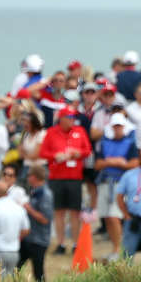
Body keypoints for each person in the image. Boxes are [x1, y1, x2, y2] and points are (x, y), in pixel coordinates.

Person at [38, 107, 93, 257]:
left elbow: (87, 150)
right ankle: (61, 243)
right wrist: (56, 155)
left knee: (75, 212)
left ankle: (76, 243)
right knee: (59, 212)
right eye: (68, 117)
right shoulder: (51, 132)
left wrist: (78, 153)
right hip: (57, 177)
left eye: (72, 117)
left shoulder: (79, 131)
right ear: (61, 118)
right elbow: (43, 152)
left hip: (75, 177)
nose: (71, 120)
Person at [94, 113, 141, 254]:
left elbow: (134, 163)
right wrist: (116, 162)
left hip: (121, 183)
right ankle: (115, 247)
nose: (117, 129)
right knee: (107, 216)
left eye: (119, 126)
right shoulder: (104, 142)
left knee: (115, 216)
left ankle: (119, 248)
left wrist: (117, 163)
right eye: (115, 126)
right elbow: (98, 164)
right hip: (105, 181)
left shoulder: (130, 143)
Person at [20, 162, 53, 282]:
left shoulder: (45, 195)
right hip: (29, 238)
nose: (27, 178)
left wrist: (28, 209)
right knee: (16, 267)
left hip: (39, 240)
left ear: (34, 176)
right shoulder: (35, 191)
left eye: (29, 175)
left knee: (38, 272)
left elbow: (45, 219)